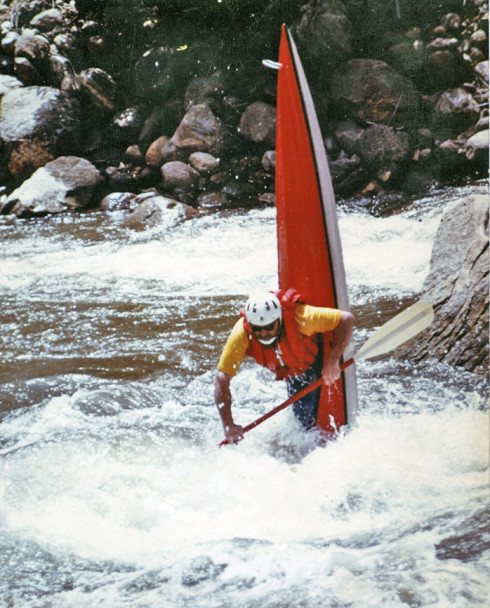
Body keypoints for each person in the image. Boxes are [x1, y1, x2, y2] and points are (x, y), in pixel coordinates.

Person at [214, 288, 354, 443]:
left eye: (268, 327)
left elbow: (346, 320)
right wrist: (228, 425)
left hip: (314, 362)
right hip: (290, 370)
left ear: (279, 320)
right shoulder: (242, 333)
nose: (263, 333)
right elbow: (222, 378)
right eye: (258, 329)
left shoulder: (302, 317)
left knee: (307, 428)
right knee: (301, 427)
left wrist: (333, 361)